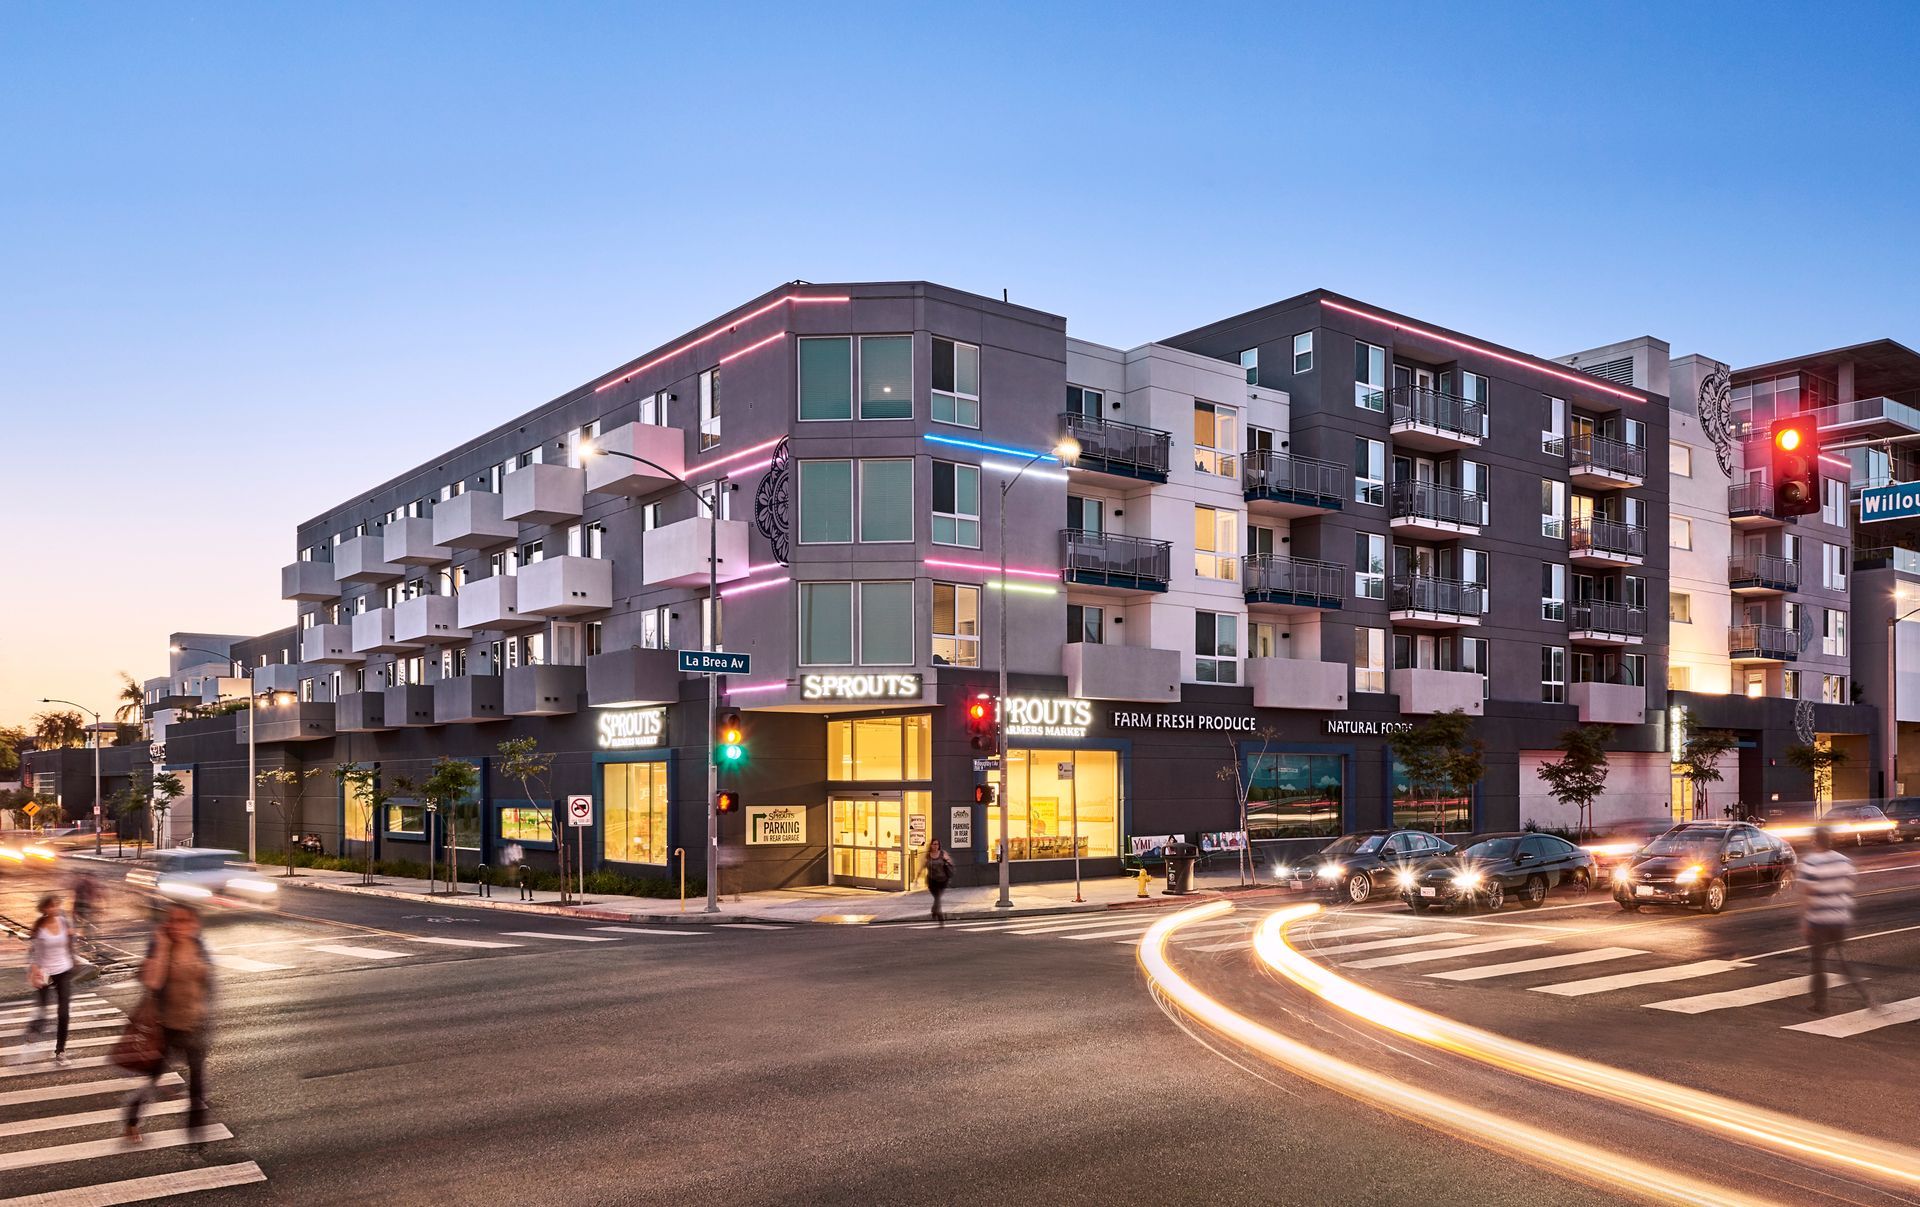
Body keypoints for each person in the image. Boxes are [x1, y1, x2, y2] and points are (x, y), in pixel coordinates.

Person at [124, 903, 214, 1143]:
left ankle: (196, 1139)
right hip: (166, 1029)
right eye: (173, 920)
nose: (177, 925)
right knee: (153, 1078)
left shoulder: (199, 946)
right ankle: (132, 1118)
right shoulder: (161, 946)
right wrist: (162, 946)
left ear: (194, 924)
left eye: (183, 921)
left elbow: (207, 984)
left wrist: (206, 1015)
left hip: (195, 1027)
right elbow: (151, 982)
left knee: (197, 1087)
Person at [1799, 826, 1874, 1014]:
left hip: (1819, 921)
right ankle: (1866, 996)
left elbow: (1807, 894)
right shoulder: (1844, 861)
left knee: (1818, 962)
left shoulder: (1811, 862)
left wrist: (1806, 920)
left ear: (1815, 841)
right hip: (1840, 919)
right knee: (1842, 959)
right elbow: (1850, 886)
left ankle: (1820, 1004)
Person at [21, 894, 76, 1066]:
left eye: (57, 905)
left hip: (64, 970)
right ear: (44, 908)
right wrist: (34, 971)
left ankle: (60, 1051)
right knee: (43, 1008)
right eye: (51, 906)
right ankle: (34, 1028)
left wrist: (72, 939)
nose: (55, 908)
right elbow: (34, 953)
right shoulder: (39, 927)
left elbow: (70, 943)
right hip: (45, 972)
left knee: (64, 1013)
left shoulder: (64, 922)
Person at [923, 839, 954, 927]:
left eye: (937, 844)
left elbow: (950, 862)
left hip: (943, 880)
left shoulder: (943, 853)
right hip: (932, 880)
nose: (935, 846)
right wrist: (917, 876)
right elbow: (923, 866)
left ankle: (939, 915)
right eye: (934, 844)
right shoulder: (928, 855)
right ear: (930, 845)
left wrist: (947, 861)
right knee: (937, 898)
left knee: (938, 897)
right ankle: (936, 911)